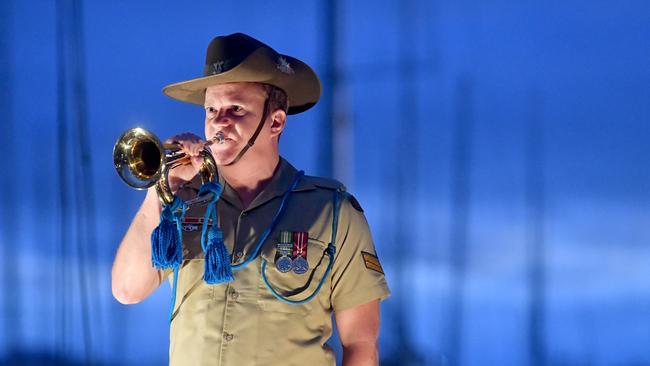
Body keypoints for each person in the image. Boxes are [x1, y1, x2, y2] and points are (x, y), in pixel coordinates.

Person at [111, 32, 390, 366]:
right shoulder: (182, 204)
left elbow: (361, 343)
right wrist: (162, 187)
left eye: (236, 108)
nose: (219, 121)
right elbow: (127, 290)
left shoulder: (332, 211)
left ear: (275, 122)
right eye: (211, 109)